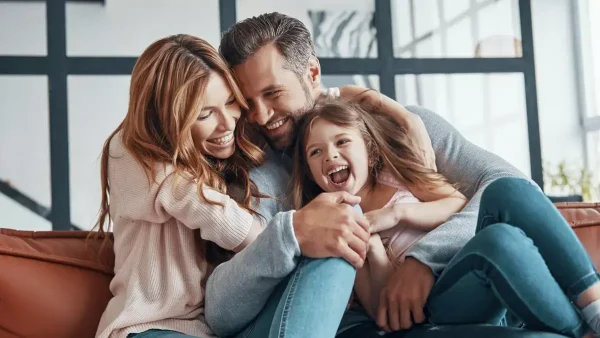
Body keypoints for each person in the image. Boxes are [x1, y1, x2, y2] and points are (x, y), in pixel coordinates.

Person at [204, 11, 600, 338]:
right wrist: (291, 232)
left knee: (502, 233)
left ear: (311, 73)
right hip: (381, 323)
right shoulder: (257, 178)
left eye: (273, 94)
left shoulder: (401, 127)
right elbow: (223, 308)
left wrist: (423, 260)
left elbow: (509, 191)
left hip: (477, 284)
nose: (259, 115)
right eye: (246, 101)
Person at [93, 34, 370, 338]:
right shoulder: (129, 151)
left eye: (230, 102)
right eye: (204, 113)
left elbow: (311, 109)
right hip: (150, 328)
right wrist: (291, 235)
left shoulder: (219, 148)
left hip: (218, 331)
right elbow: (203, 207)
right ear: (168, 117)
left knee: (339, 222)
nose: (228, 123)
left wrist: (374, 102)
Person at [291, 98, 467, 320]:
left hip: (457, 264)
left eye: (342, 141)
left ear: (371, 153)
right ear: (311, 175)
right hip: (431, 308)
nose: (330, 155)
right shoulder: (339, 227)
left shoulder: (395, 177)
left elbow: (459, 203)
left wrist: (397, 214)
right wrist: (374, 249)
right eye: (315, 152)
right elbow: (379, 310)